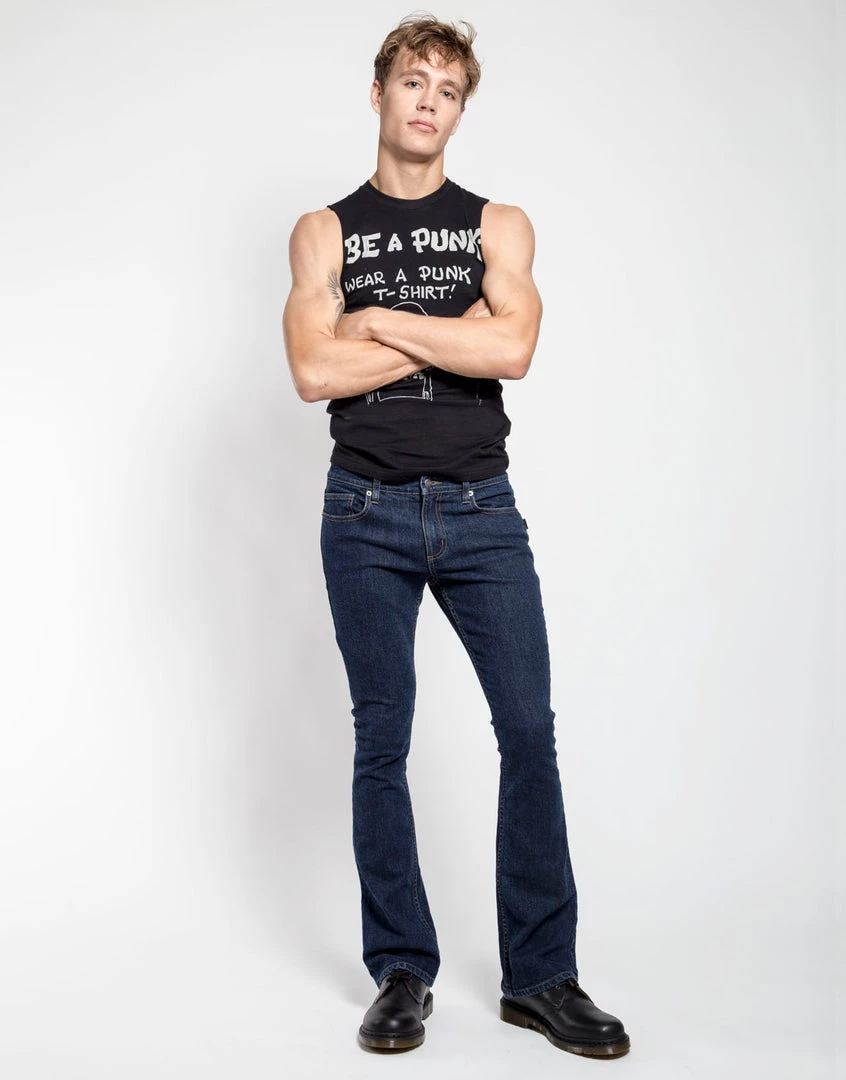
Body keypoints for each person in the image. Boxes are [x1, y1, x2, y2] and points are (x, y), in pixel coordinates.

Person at [282, 13, 630, 1059]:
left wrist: (377, 320)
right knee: (380, 741)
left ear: (460, 111)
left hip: (482, 512)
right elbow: (313, 371)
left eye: (447, 88)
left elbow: (513, 350)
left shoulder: (498, 225)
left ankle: (542, 977)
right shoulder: (323, 231)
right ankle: (401, 971)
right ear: (378, 94)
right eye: (412, 81)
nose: (427, 100)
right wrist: (453, 334)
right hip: (364, 514)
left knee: (528, 731)